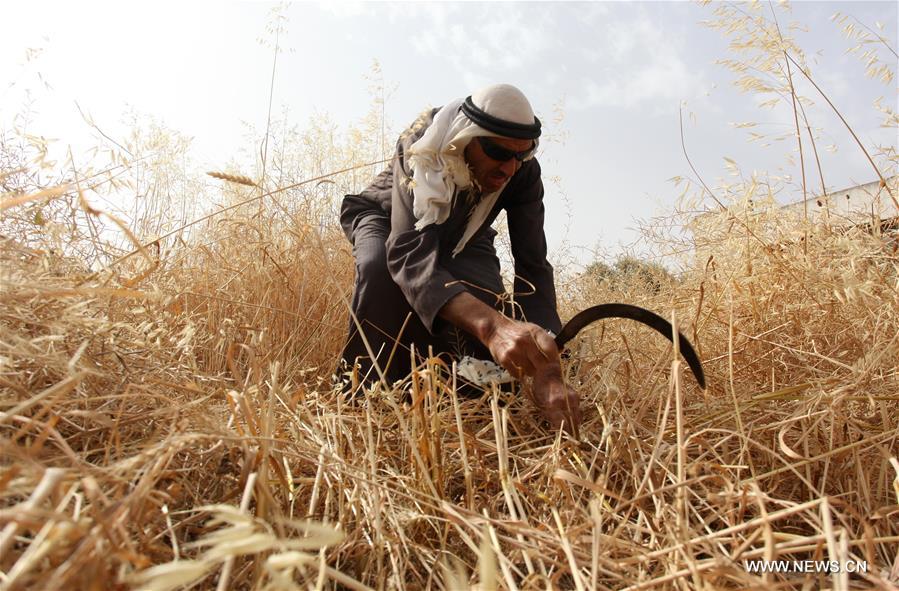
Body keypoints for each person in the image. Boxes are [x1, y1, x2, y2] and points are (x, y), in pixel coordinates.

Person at [337, 83, 580, 434]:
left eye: (521, 155)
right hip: (390, 218)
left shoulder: (522, 171)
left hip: (468, 231)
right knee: (381, 271)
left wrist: (549, 368)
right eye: (497, 151)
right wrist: (494, 327)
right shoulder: (422, 144)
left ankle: (466, 400)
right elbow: (407, 252)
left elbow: (534, 266)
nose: (509, 169)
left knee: (485, 298)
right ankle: (362, 402)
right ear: (465, 139)